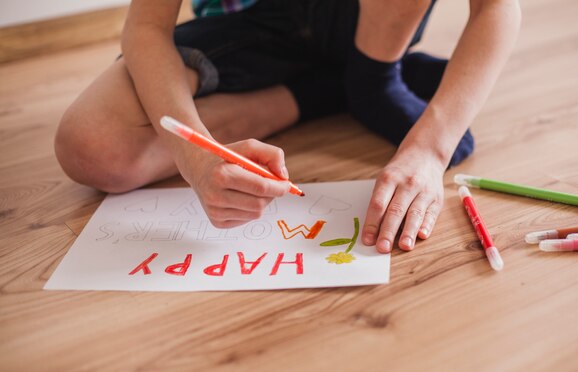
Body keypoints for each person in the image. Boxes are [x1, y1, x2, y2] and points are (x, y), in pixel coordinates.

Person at [55, 0, 521, 254]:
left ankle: (372, 77)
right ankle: (328, 90)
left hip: (368, 19)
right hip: (252, 25)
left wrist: (430, 149)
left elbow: (496, 7)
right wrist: (193, 156)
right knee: (92, 146)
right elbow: (147, 28)